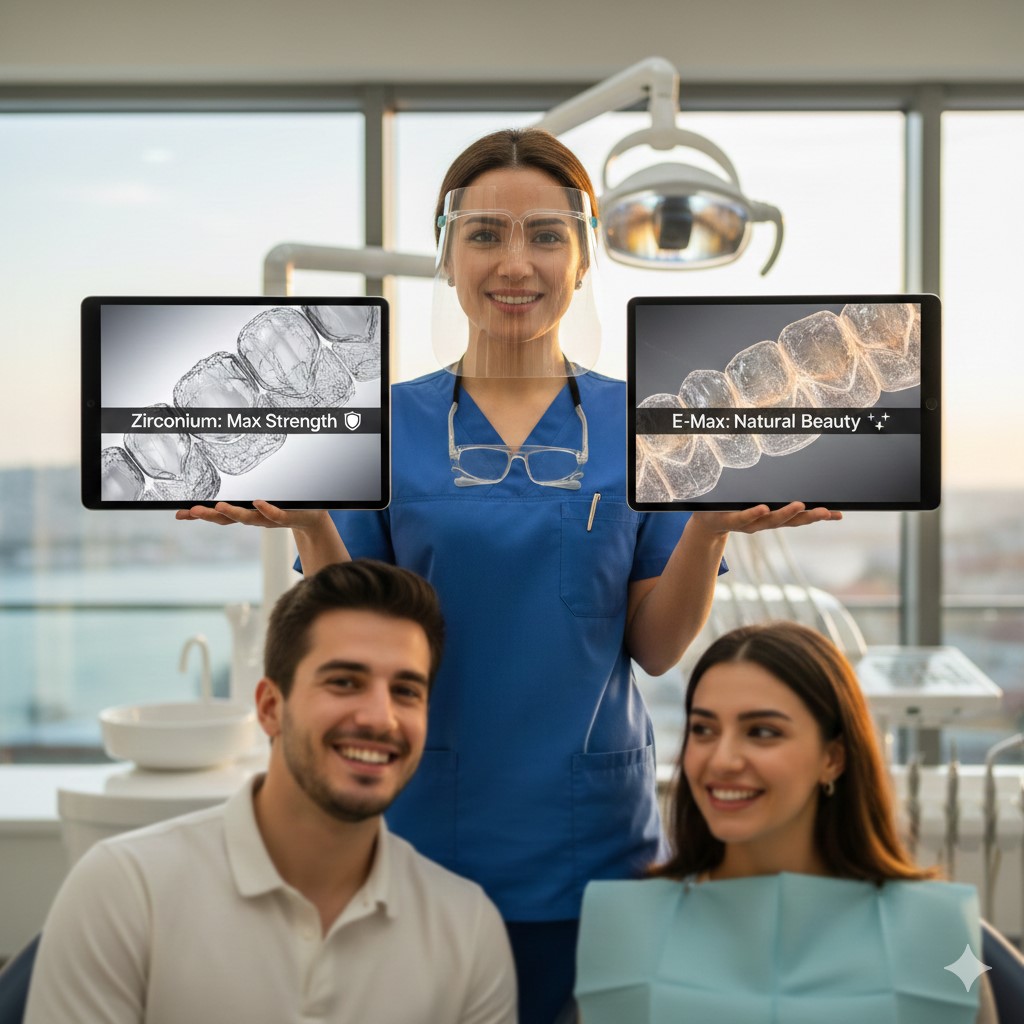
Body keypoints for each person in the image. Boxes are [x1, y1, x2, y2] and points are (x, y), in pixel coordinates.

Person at [177, 127, 841, 1022]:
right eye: (485, 234)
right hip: (420, 834)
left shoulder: (647, 422)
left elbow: (654, 647)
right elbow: (351, 622)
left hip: (591, 845)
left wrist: (711, 529)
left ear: (582, 258)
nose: (514, 263)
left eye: (546, 235)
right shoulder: (380, 424)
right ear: (446, 257)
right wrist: (307, 519)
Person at [24, 560, 516, 1024]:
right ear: (269, 708)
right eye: (345, 681)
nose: (379, 717)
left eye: (406, 691)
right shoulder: (124, 891)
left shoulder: (467, 930)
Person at [575, 621, 997, 1024]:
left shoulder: (936, 935)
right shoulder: (625, 932)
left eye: (762, 732)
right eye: (703, 729)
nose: (722, 760)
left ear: (832, 758)